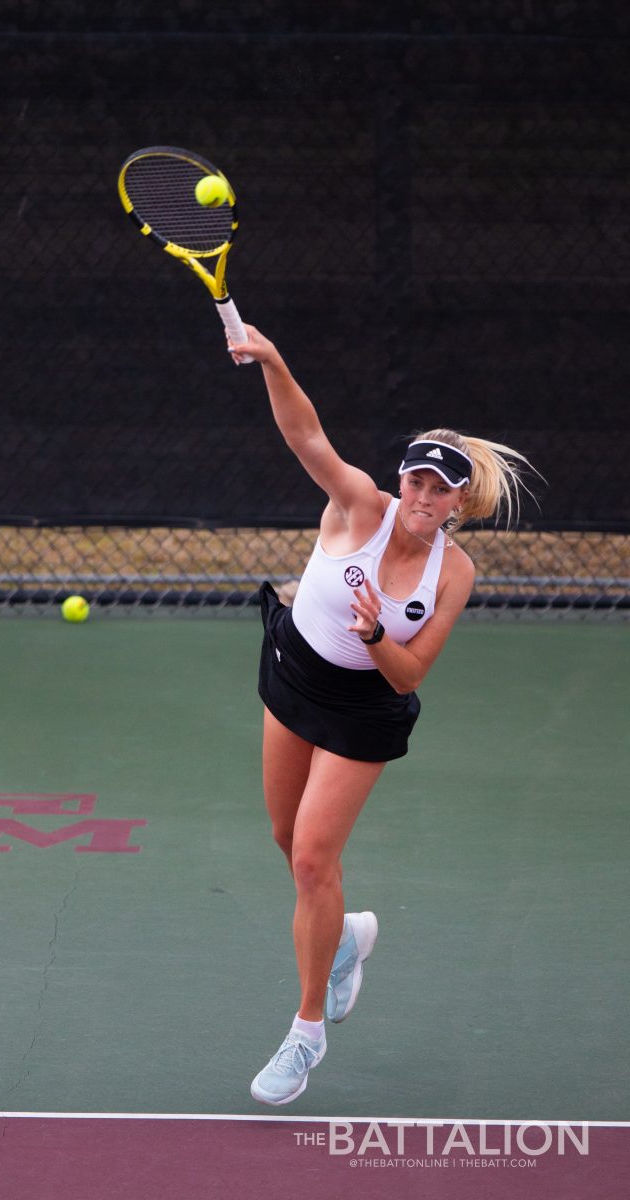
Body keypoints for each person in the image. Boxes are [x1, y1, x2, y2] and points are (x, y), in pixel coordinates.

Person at [228, 325, 536, 1107]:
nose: (423, 498)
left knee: (309, 860)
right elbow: (305, 433)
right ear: (400, 479)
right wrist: (273, 360)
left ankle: (306, 1033)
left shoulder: (452, 574)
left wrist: (372, 632)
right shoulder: (356, 503)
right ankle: (341, 946)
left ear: (458, 503)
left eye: (441, 490)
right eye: (417, 480)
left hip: (365, 711)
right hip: (295, 674)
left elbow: (408, 672)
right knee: (284, 838)